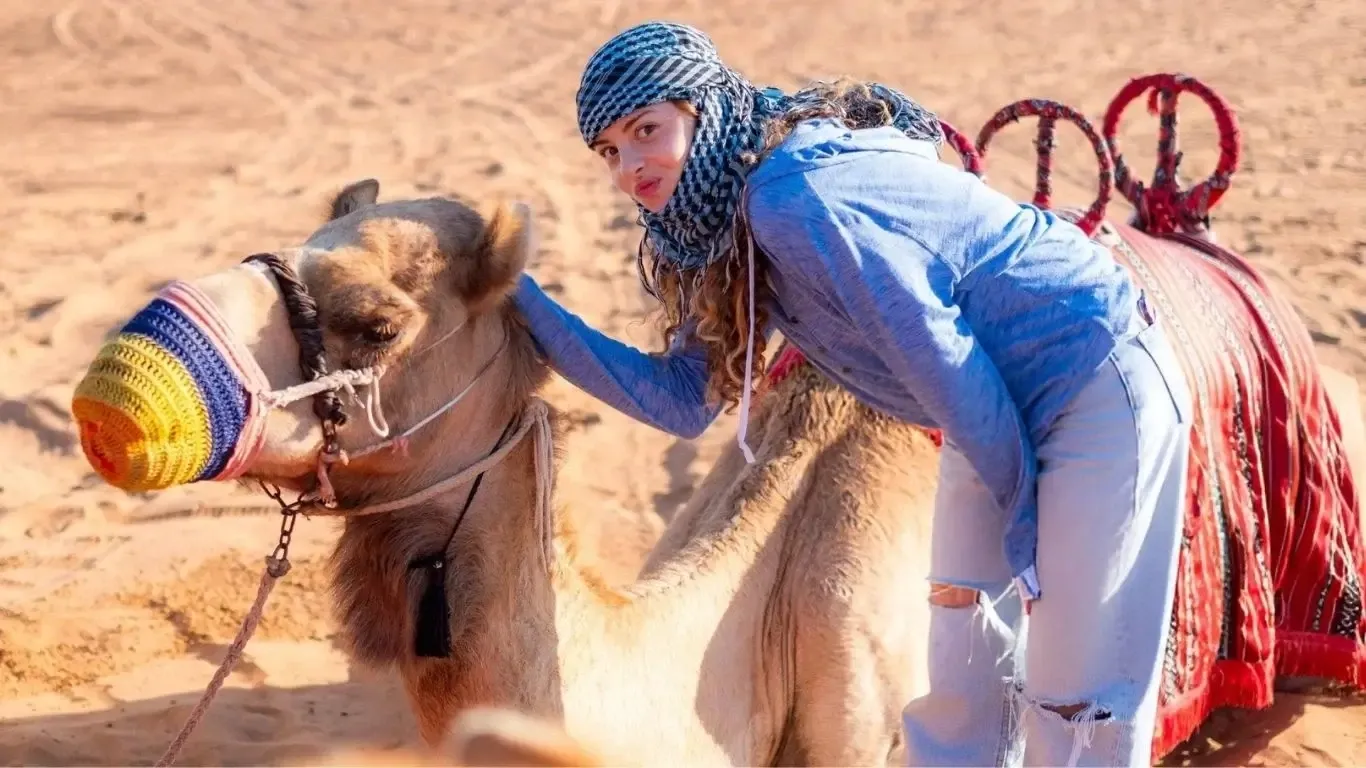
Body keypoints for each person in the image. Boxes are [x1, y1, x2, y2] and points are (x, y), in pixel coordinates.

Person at [511, 19, 1193, 767]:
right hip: (979, 412)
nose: (630, 166)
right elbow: (682, 401)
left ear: (703, 112)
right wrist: (526, 303)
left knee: (1077, 695)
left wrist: (1023, 522)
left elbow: (946, 357)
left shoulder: (791, 200)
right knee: (965, 673)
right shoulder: (715, 221)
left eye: (647, 130)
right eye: (610, 150)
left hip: (1087, 380)